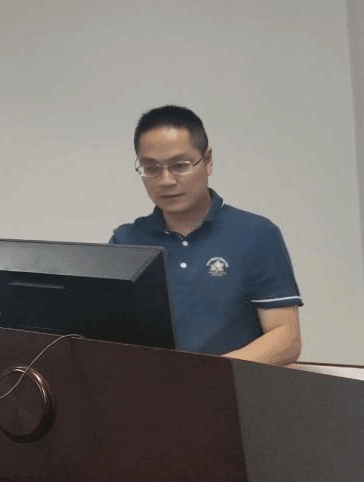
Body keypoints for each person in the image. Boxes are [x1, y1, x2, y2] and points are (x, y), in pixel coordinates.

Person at [109, 105, 302, 365]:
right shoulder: (126, 241)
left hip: (232, 385)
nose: (166, 180)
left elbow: (286, 339)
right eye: (151, 168)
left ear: (208, 160)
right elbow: (110, 334)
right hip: (149, 384)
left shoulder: (256, 234)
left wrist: (208, 374)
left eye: (180, 165)